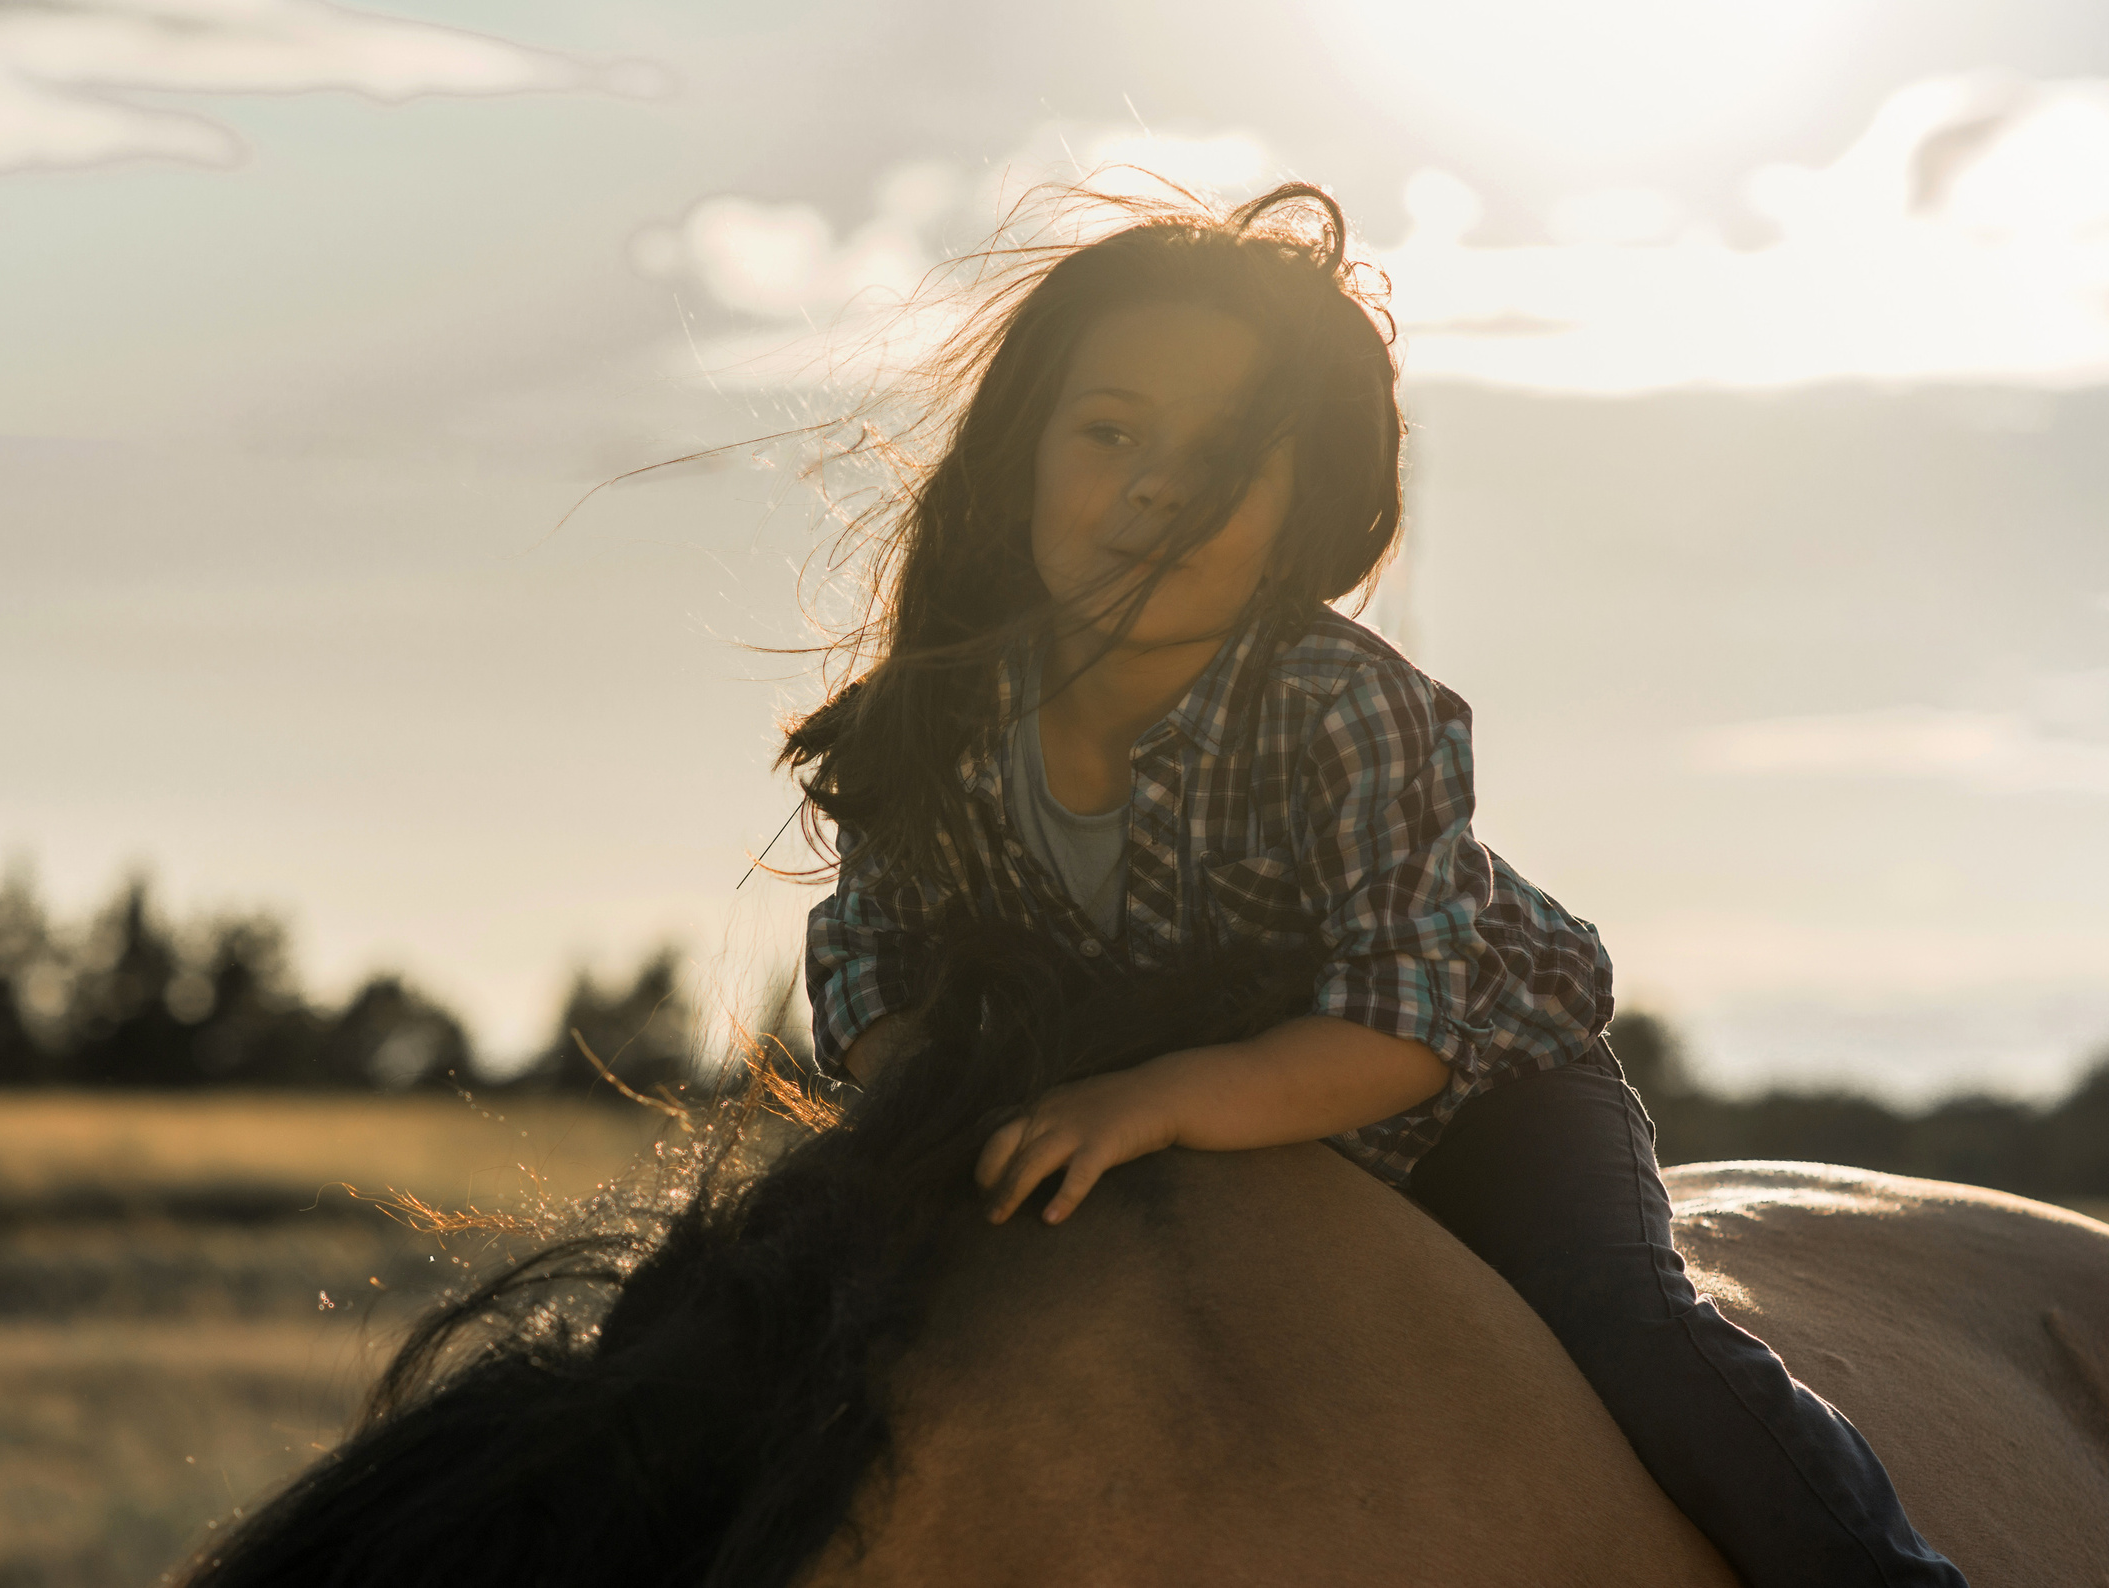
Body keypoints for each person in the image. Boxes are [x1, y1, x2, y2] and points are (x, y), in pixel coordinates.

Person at [781, 181, 1966, 1588]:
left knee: (1630, 1330)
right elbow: (869, 959)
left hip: (1472, 1095)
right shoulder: (932, 719)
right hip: (1132, 1113)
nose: (1160, 485)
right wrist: (935, 1095)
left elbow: (1396, 1029)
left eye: (1230, 455)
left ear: (1307, 510)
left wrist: (1145, 1100)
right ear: (1019, 465)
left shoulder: (1350, 707)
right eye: (1110, 433)